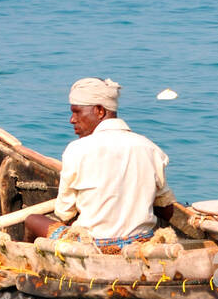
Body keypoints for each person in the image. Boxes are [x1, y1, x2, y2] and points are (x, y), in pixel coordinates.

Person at [25, 78, 176, 249]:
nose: (72, 120)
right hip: (141, 242)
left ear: (99, 111)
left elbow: (64, 213)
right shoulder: (150, 148)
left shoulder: (77, 150)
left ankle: (27, 263)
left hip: (94, 244)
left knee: (32, 220)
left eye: (77, 112)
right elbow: (167, 210)